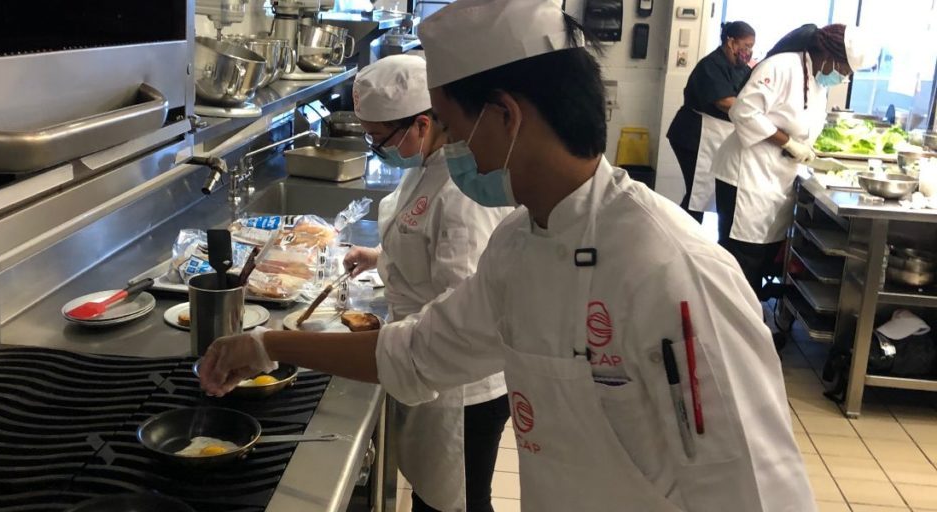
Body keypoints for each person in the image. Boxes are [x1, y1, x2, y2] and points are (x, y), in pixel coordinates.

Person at [200, 1, 814, 510]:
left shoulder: (673, 270)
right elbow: (413, 353)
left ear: (505, 117)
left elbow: (759, 492)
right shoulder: (517, 249)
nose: (442, 143)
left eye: (445, 122)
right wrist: (267, 346)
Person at [345, 54, 513, 512]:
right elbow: (428, 246)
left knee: (459, 502)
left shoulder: (462, 190)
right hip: (428, 364)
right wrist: (380, 257)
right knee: (433, 496)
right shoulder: (427, 161)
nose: (375, 147)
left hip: (461, 387)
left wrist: (394, 345)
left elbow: (463, 298)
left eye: (379, 139)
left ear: (421, 123)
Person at [711, 24, 878, 301]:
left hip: (776, 179)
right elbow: (743, 112)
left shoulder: (816, 78)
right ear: (828, 56)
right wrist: (788, 143)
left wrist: (808, 151)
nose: (841, 78)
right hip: (747, 176)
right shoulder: (780, 67)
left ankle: (751, 330)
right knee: (741, 262)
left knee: (761, 260)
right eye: (844, 70)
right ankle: (731, 333)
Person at [666, 21, 755, 223]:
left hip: (717, 135)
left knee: (705, 193)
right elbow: (724, 101)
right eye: (746, 45)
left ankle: (689, 236)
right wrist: (755, 116)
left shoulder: (741, 68)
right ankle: (684, 236)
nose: (749, 51)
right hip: (692, 135)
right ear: (731, 42)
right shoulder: (711, 65)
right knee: (697, 191)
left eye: (751, 47)